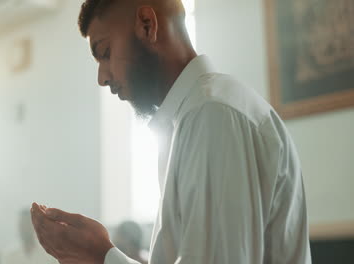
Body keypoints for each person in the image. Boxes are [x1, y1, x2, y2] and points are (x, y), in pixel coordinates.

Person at [30, 0, 312, 263]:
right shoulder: (196, 115)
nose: (102, 78)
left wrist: (102, 255)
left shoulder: (212, 114)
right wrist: (102, 257)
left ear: (146, 24)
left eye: (105, 53)